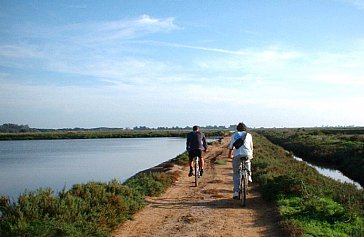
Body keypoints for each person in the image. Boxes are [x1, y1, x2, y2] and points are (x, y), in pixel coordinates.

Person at [228, 122, 254, 200]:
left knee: (236, 173)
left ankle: (236, 192)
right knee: (248, 162)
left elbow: (231, 147)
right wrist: (251, 155)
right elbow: (251, 147)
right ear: (245, 128)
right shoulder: (249, 135)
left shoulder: (234, 135)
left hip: (237, 155)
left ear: (237, 128)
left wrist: (230, 155)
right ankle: (249, 176)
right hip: (247, 154)